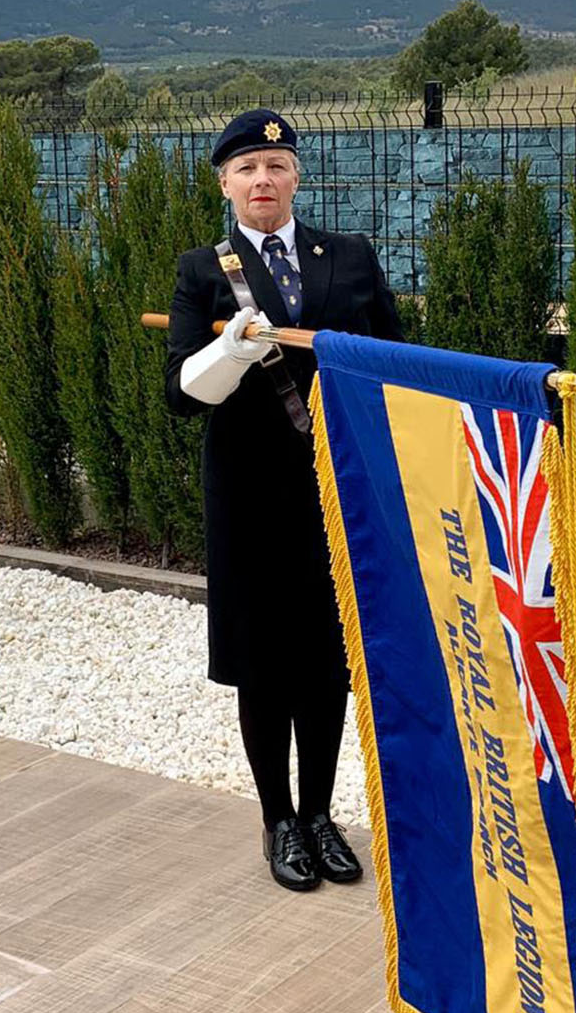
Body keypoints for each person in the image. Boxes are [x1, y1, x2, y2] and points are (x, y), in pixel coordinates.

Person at [166, 108, 404, 892]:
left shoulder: (352, 256)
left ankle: (320, 815)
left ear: (296, 175)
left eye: (275, 166)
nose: (262, 180)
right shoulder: (205, 269)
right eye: (246, 169)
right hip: (249, 497)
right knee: (265, 667)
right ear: (225, 183)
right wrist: (228, 350)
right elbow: (180, 393)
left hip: (337, 493)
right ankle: (277, 822)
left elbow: (391, 366)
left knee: (327, 663)